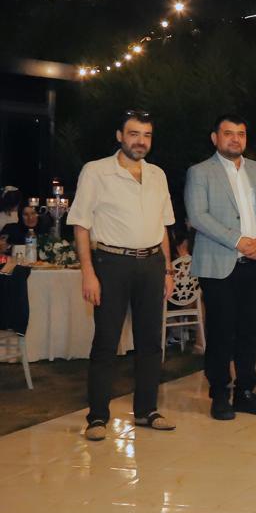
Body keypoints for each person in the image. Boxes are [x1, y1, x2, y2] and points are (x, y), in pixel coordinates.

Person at [67, 110, 177, 440]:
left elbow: (163, 226)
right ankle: (97, 417)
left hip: (152, 264)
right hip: (111, 264)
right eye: (134, 134)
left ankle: (146, 410)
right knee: (106, 342)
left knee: (150, 343)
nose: (140, 141)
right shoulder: (96, 171)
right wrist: (88, 273)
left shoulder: (157, 175)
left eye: (146, 135)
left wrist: (167, 269)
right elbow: (81, 225)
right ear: (119, 136)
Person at [183, 114, 256, 421]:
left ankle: (246, 391)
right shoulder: (200, 172)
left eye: (241, 133)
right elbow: (198, 215)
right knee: (221, 333)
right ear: (215, 138)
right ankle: (219, 394)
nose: (235, 139)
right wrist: (238, 240)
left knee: (251, 332)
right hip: (220, 265)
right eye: (228, 133)